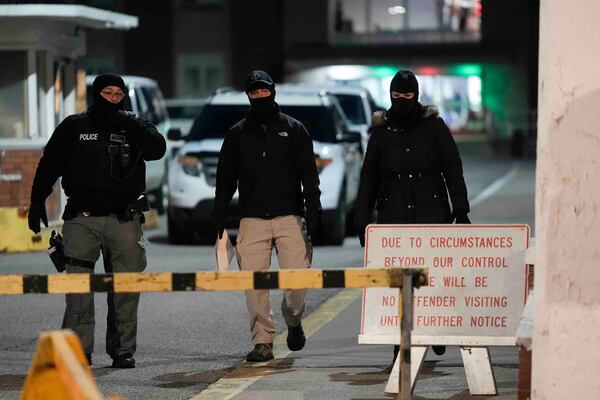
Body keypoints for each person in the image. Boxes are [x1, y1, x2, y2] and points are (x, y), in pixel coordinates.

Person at [28, 73, 166, 368]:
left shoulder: (134, 126)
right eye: (108, 93)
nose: (113, 99)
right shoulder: (74, 126)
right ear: (95, 94)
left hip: (124, 219)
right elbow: (49, 163)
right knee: (79, 288)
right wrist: (36, 200)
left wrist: (132, 123)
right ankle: (79, 350)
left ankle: (122, 350)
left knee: (126, 288)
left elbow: (157, 149)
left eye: (119, 94)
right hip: (82, 219)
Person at [354, 69, 470, 362]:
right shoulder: (381, 132)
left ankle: (436, 331)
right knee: (399, 281)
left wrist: (461, 209)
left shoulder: (434, 127)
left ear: (416, 95)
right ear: (390, 95)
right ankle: (401, 344)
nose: (402, 100)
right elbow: (369, 177)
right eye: (397, 96)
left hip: (431, 211)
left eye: (408, 95)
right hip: (393, 214)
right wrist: (362, 217)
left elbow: (452, 169)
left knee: (433, 277)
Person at [212, 70, 322, 363]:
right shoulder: (237, 133)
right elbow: (225, 179)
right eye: (255, 92)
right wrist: (219, 216)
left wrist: (314, 213)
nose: (260, 96)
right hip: (251, 218)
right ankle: (263, 342)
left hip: (290, 216)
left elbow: (309, 177)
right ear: (248, 95)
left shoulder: (294, 129)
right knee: (254, 285)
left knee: (297, 283)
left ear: (273, 91)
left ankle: (294, 320)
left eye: (264, 91)